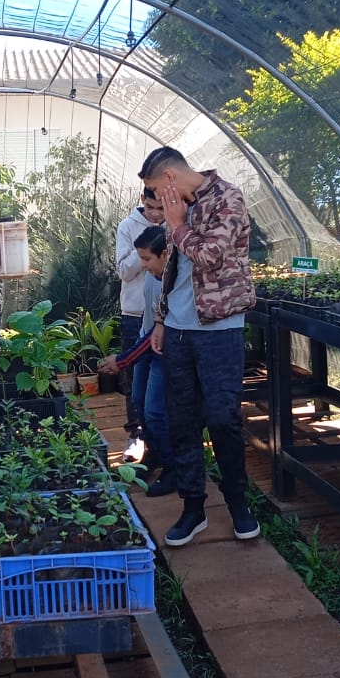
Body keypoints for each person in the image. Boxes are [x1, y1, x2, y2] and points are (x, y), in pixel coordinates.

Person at [138, 147, 260, 547]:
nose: (155, 199)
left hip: (219, 329)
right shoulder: (178, 208)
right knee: (182, 421)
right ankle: (193, 508)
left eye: (156, 189)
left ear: (170, 178)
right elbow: (173, 272)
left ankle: (238, 502)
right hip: (177, 331)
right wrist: (161, 319)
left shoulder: (227, 197)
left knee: (223, 418)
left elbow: (210, 256)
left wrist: (176, 225)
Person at [98, 225, 176, 497]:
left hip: (161, 353)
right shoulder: (153, 276)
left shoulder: (174, 282)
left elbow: (159, 332)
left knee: (155, 411)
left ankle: (172, 468)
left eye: (146, 259)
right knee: (139, 404)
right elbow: (149, 323)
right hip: (146, 346)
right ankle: (154, 455)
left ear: (164, 255)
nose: (143, 265)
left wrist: (122, 360)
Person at [115, 187, 165, 460]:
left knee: (158, 377)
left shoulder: (175, 225)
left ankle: (158, 438)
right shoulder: (127, 226)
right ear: (142, 200)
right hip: (135, 313)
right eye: (151, 207)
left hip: (165, 317)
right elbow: (124, 271)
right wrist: (145, 246)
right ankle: (136, 435)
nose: (156, 214)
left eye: (161, 207)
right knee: (134, 378)